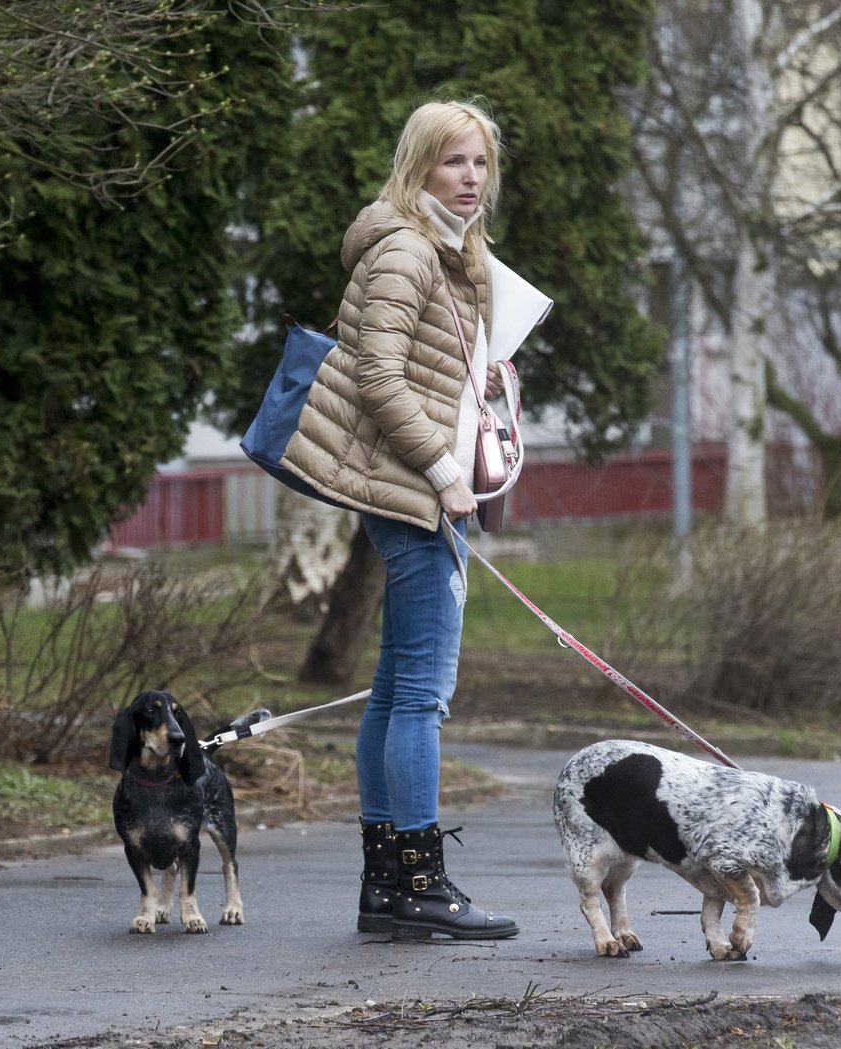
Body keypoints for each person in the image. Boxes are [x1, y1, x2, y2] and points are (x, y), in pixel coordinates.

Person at [283, 100, 519, 941]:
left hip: (417, 488)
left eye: (480, 164)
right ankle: (420, 881)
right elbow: (377, 377)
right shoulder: (405, 253)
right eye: (453, 163)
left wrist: (474, 382)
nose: (469, 179)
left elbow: (416, 369)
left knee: (393, 691)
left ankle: (386, 886)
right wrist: (448, 470)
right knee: (423, 694)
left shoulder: (453, 257)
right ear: (418, 166)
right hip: (413, 493)